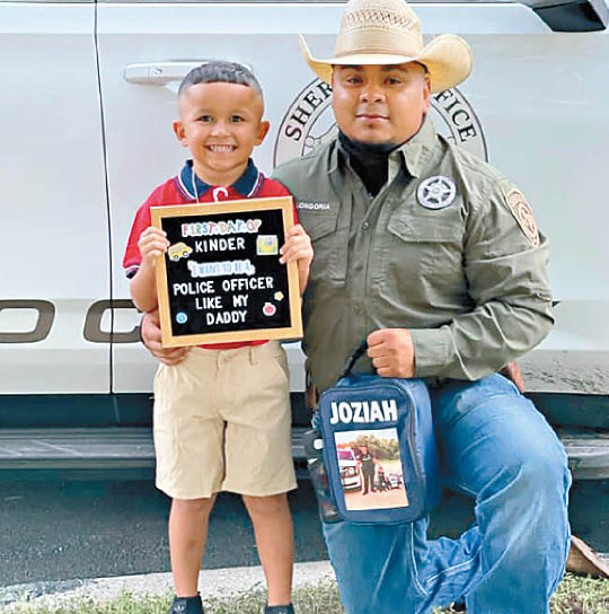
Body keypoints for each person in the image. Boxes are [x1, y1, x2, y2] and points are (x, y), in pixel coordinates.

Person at [139, 1, 574, 612]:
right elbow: (225, 287)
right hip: (358, 410)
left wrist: (425, 349)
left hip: (464, 394)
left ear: (425, 90)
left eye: (392, 79)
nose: (371, 95)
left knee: (530, 466)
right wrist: (164, 323)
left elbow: (526, 307)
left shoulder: (479, 187)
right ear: (334, 90)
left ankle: (504, 593)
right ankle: (471, 559)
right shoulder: (285, 191)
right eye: (354, 79)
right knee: (383, 603)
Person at [124, 61, 312, 614]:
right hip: (189, 366)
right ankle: (186, 599)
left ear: (261, 130)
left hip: (257, 362)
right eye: (205, 118)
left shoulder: (275, 200)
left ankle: (280, 604)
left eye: (236, 119)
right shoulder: (161, 204)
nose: (221, 131)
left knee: (266, 490)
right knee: (190, 491)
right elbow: (144, 301)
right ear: (182, 131)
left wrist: (300, 263)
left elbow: (287, 298)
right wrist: (153, 266)